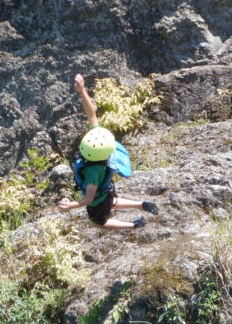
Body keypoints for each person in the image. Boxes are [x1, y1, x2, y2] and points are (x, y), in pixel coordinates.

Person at [58, 73, 158, 229]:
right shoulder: (101, 144)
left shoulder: (92, 171)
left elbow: (89, 199)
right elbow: (92, 113)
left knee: (99, 222)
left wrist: (70, 205)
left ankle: (133, 225)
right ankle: (141, 204)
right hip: (107, 189)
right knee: (111, 201)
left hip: (98, 199)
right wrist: (82, 90)